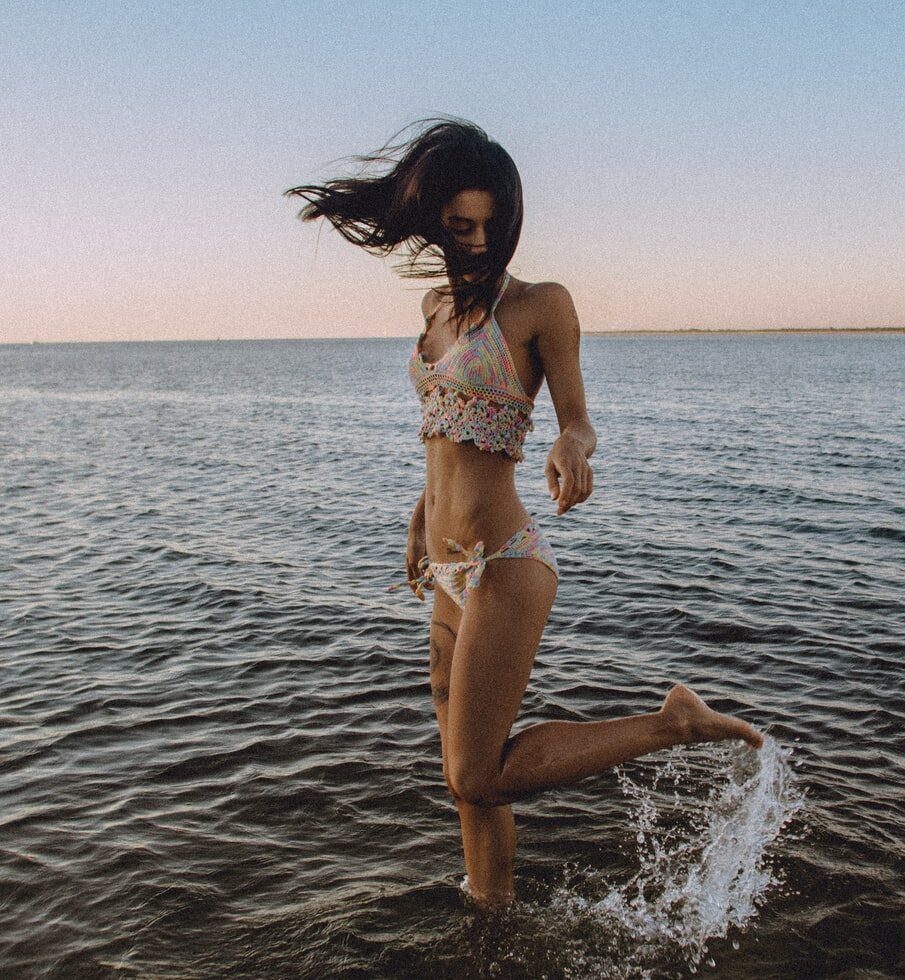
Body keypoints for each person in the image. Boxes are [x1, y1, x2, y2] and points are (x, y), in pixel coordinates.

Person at [285, 116, 764, 909]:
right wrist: (418, 515)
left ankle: (672, 723)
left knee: (477, 767)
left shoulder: (541, 304)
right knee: (468, 786)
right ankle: (490, 909)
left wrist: (573, 448)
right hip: (444, 566)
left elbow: (577, 418)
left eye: (490, 225)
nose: (475, 240)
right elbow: (446, 433)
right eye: (459, 224)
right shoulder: (436, 309)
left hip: (505, 559)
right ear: (435, 218)